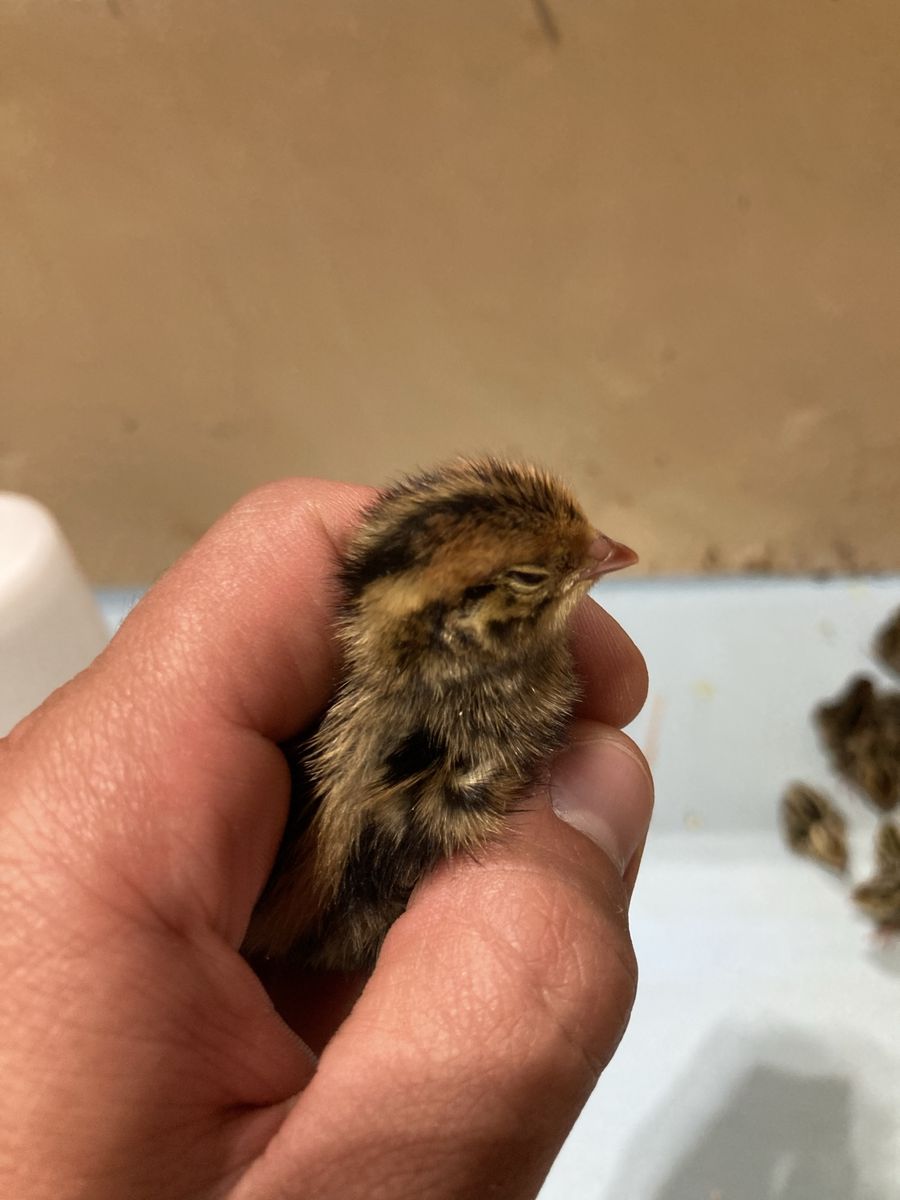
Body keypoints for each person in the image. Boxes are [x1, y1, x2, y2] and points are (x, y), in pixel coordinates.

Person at [0, 479, 653, 1199]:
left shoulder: (438, 681)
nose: (595, 553)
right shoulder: (453, 718)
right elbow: (391, 841)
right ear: (462, 625)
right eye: (530, 577)